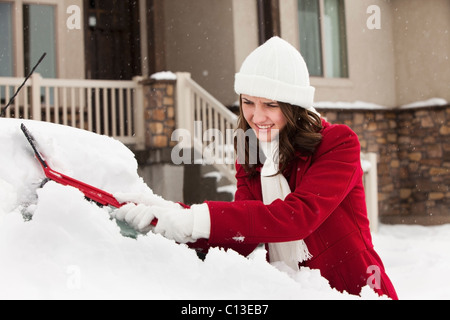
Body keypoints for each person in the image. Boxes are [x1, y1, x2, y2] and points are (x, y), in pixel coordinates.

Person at [113, 37, 398, 300]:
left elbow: (296, 217)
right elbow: (244, 239)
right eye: (248, 102)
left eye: (270, 105)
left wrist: (194, 219)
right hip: (295, 290)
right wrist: (170, 219)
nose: (256, 116)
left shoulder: (338, 144)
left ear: (294, 106)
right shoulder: (250, 151)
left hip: (356, 289)